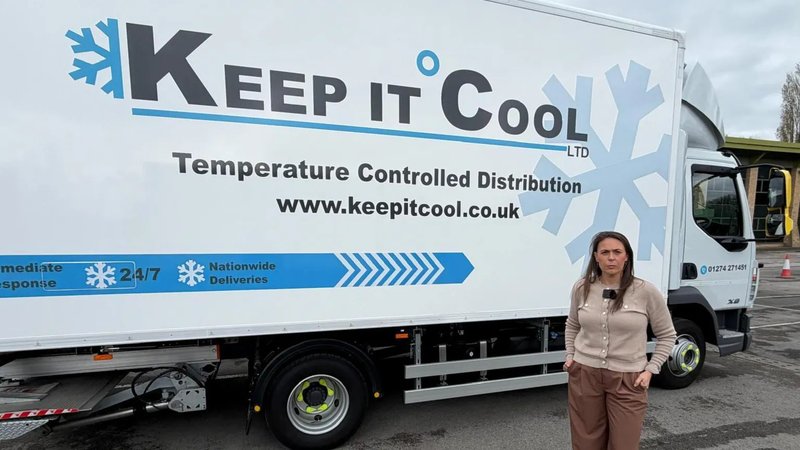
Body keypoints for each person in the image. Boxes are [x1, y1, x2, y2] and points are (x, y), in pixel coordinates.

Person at [563, 231, 677, 450]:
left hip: (629, 378)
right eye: (605, 252)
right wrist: (570, 356)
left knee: (624, 443)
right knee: (585, 441)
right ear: (596, 257)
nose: (611, 257)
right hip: (586, 373)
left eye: (617, 252)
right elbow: (572, 325)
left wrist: (651, 369)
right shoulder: (582, 288)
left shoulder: (645, 291)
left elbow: (667, 334)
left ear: (627, 257)